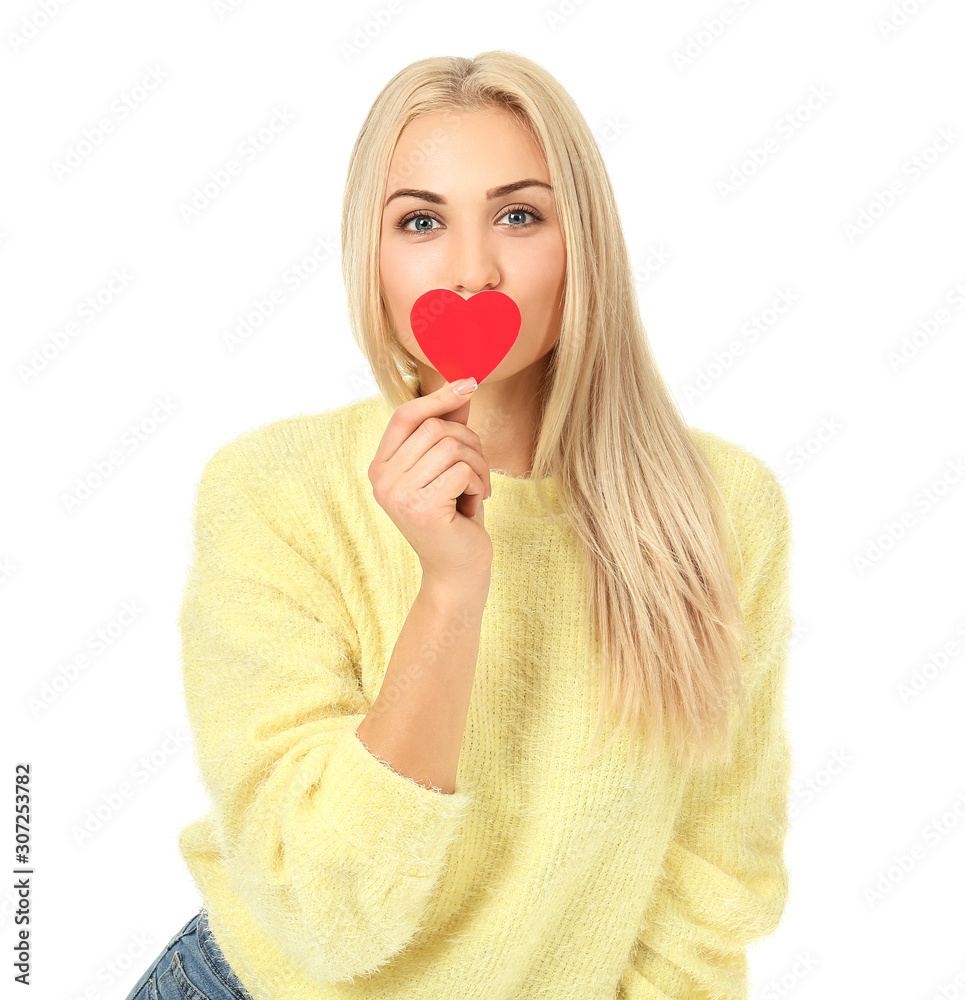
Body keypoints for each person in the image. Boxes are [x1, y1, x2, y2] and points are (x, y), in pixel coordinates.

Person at [126, 50, 794, 1000]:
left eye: (518, 215)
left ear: (583, 242)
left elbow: (712, 878)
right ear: (374, 253)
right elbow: (328, 916)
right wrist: (449, 586)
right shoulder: (270, 492)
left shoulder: (723, 513)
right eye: (421, 221)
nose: (472, 267)